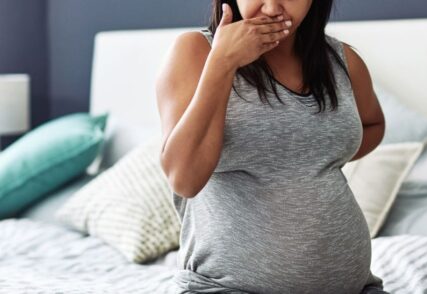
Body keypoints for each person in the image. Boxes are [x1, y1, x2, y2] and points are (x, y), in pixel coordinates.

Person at [156, 0, 387, 293]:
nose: (271, 6)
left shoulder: (343, 60)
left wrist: (307, 156)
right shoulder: (195, 51)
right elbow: (183, 179)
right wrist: (223, 63)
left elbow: (373, 125)